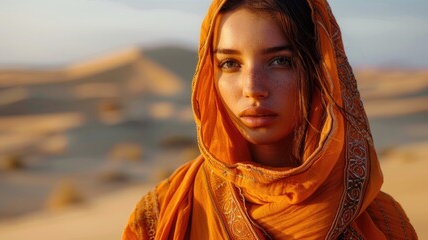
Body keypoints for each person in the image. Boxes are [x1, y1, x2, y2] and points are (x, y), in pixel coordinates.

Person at [122, 0, 417, 239]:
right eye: (230, 64)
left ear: (320, 72)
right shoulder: (166, 214)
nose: (252, 88)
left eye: (280, 61)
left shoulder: (383, 222)